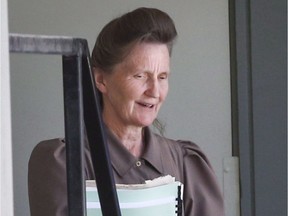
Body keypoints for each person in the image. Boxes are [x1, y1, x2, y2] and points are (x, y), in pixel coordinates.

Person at [28, 7, 224, 216]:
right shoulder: (64, 163)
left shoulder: (186, 163)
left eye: (162, 77)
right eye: (140, 76)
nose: (154, 91)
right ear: (101, 79)